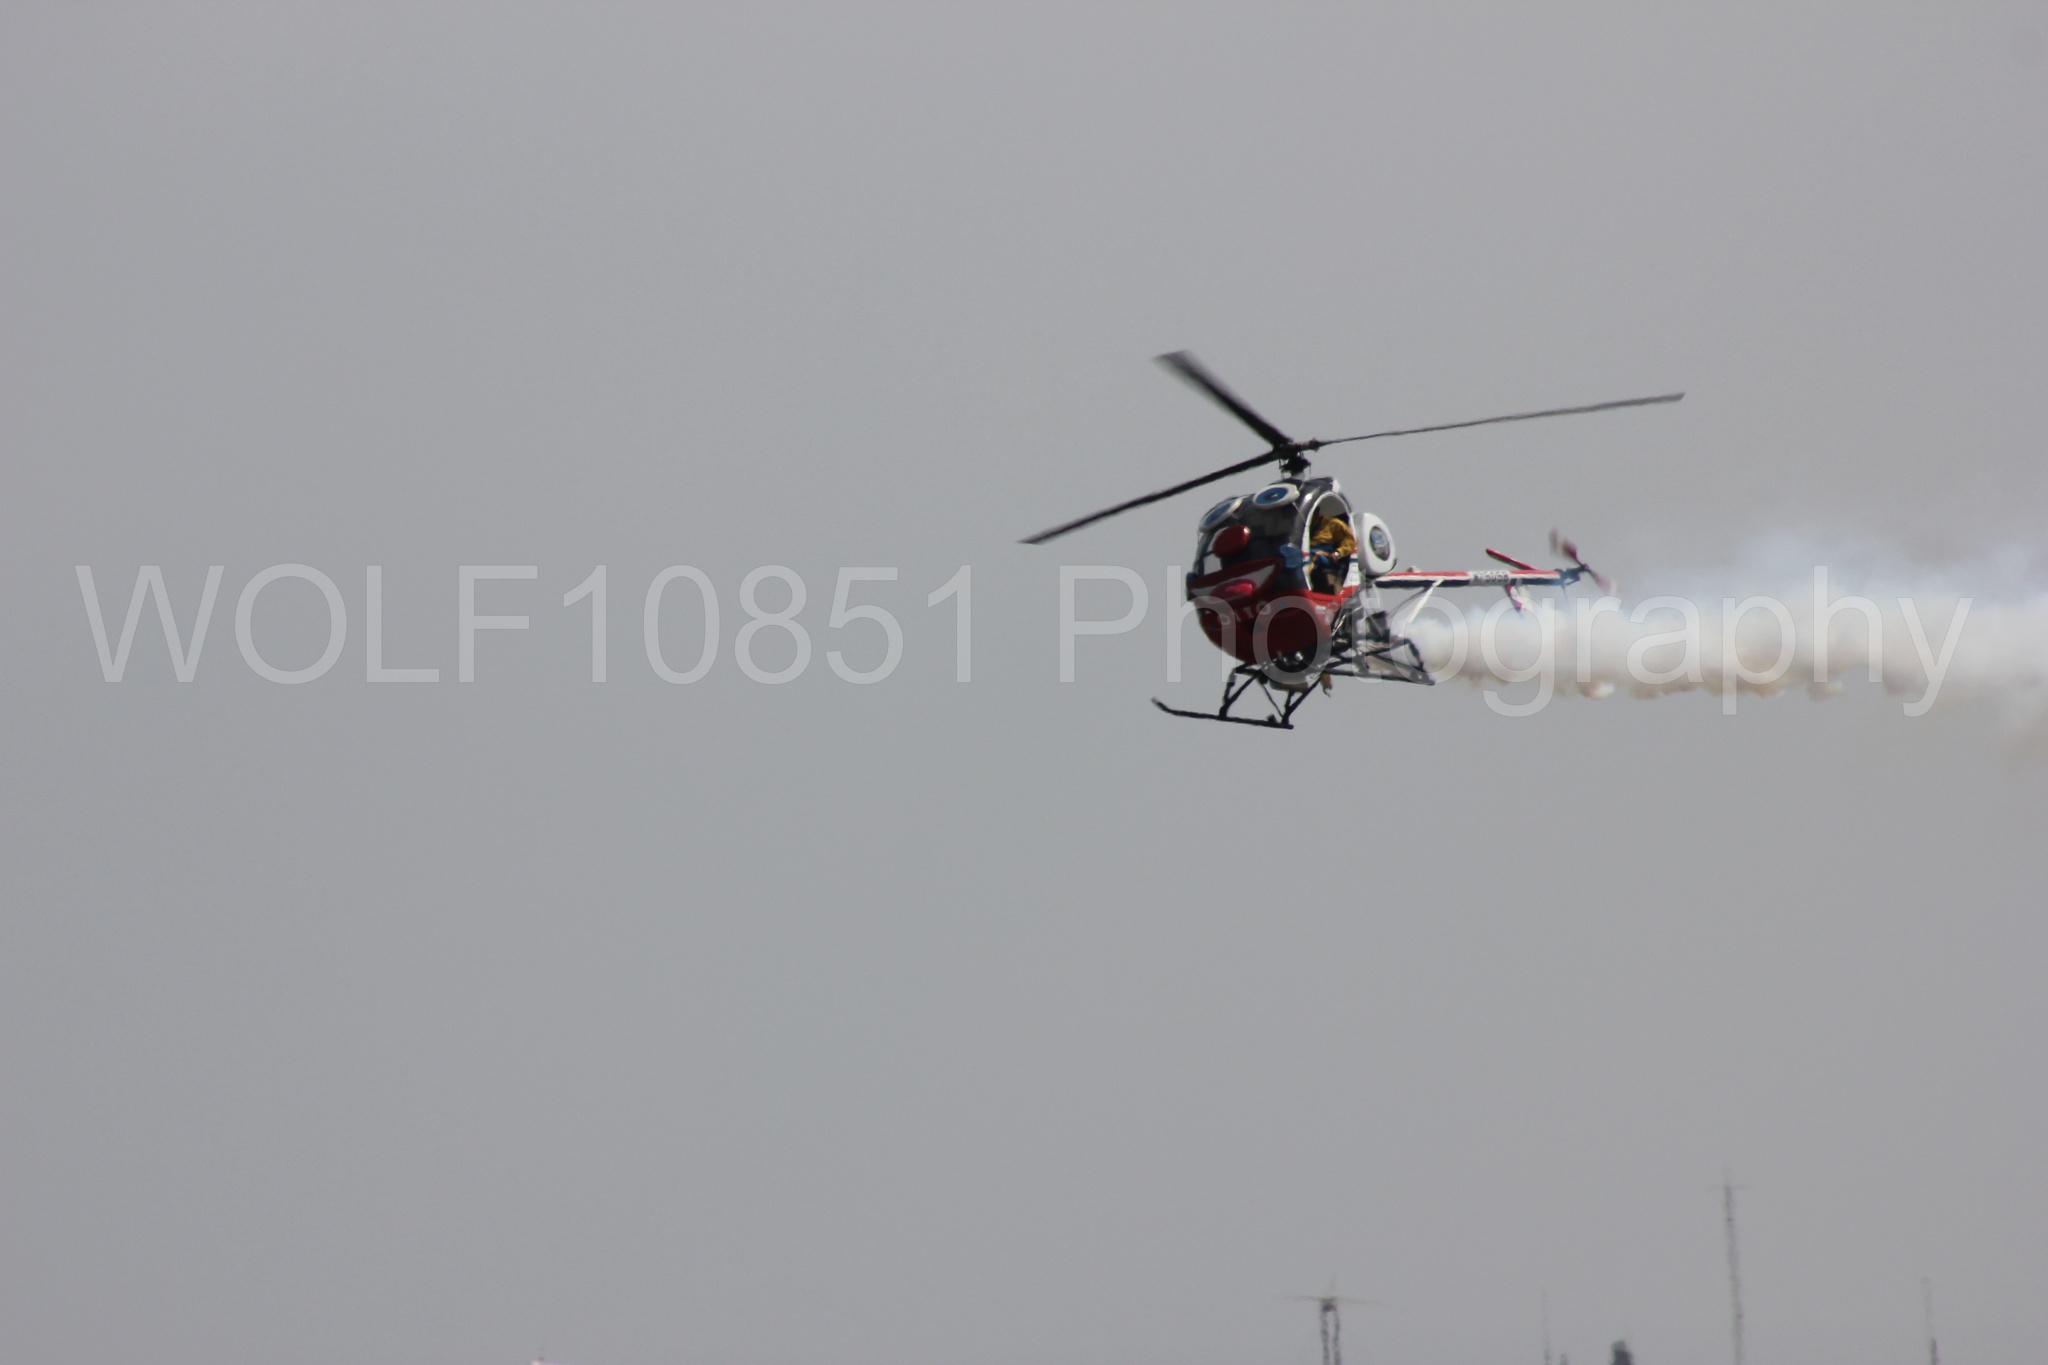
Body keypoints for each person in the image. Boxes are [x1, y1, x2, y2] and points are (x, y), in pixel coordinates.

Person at [1309, 512, 1356, 593]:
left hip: (1326, 555)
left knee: (1313, 555)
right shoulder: (1305, 527)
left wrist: (1338, 553)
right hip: (1308, 551)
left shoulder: (1332, 523)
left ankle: (1302, 581)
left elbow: (1349, 541)